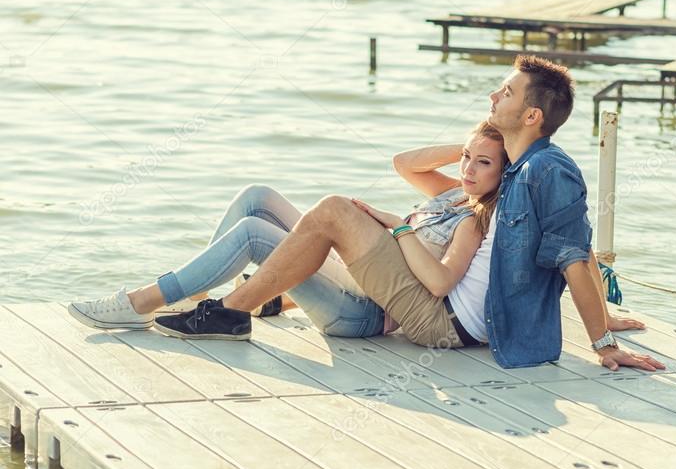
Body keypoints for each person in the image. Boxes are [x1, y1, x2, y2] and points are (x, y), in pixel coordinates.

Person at [134, 55, 659, 372]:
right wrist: (477, 147)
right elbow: (577, 249)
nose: (494, 94)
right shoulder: (519, 169)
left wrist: (602, 342)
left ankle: (228, 310)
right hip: (441, 307)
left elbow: (572, 254)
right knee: (285, 204)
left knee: (335, 210)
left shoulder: (548, 171)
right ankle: (222, 302)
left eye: (507, 91)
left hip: (446, 321)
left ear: (531, 114)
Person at [68, 121, 508, 348]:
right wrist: (477, 139)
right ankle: (192, 297)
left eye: (483, 163)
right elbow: (403, 162)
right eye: (466, 159)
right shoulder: (452, 195)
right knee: (256, 197)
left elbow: (438, 282)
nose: (467, 169)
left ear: (504, 171)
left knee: (256, 233)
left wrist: (395, 226)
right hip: (348, 280)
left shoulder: (474, 220)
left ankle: (143, 303)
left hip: (362, 313)